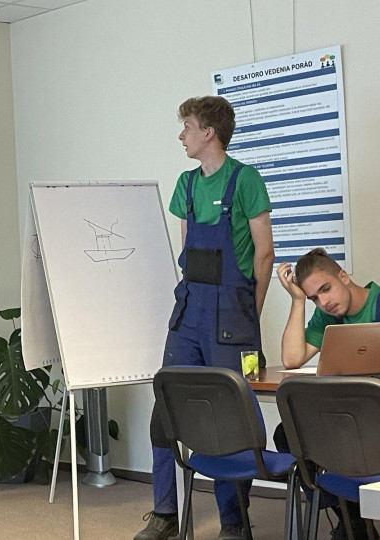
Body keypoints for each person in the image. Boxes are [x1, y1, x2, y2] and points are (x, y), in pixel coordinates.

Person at [135, 96, 274, 540]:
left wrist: (251, 312)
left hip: (234, 317)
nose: (182, 135)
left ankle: (234, 521)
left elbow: (264, 254)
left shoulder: (246, 179)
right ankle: (164, 513)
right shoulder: (187, 184)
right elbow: (188, 255)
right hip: (189, 314)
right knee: (166, 409)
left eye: (188, 126)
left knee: (230, 416)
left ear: (208, 132)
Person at [275, 248, 380, 539]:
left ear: (343, 277)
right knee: (288, 433)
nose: (324, 302)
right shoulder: (327, 317)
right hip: (349, 419)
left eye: (325, 289)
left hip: (373, 419)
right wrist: (297, 301)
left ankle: (354, 520)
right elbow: (292, 359)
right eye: (314, 298)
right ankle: (351, 520)